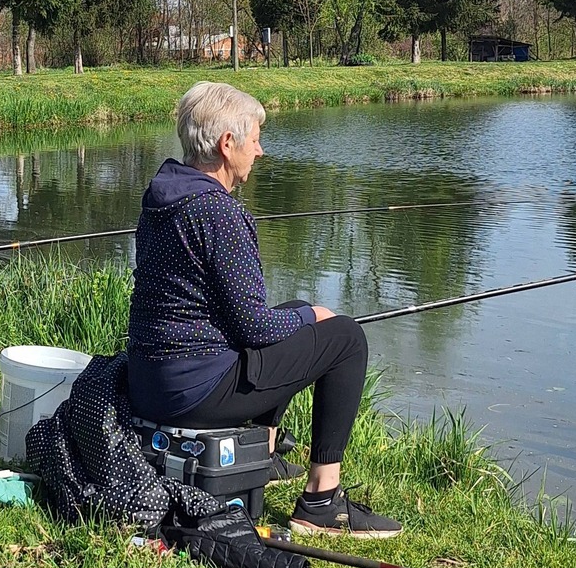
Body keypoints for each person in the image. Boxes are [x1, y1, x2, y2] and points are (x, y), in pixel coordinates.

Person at [126, 80, 402, 540]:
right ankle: (321, 501)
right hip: (194, 393)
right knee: (345, 338)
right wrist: (313, 317)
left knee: (293, 310)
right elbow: (254, 327)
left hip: (149, 382)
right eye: (254, 140)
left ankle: (263, 454)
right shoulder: (219, 213)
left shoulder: (163, 196)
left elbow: (237, 317)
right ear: (226, 144)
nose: (260, 151)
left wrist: (299, 315)